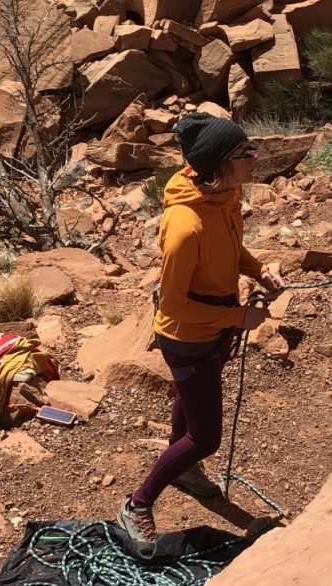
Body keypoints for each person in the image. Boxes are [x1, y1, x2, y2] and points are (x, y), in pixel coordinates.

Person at [116, 112, 285, 547]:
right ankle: (137, 503)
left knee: (193, 400)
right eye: (245, 152)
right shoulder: (184, 227)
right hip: (187, 336)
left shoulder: (224, 193)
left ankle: (185, 470)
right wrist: (236, 318)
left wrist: (258, 270)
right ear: (220, 165)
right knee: (206, 437)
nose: (255, 156)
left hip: (213, 328)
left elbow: (231, 248)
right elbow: (175, 305)